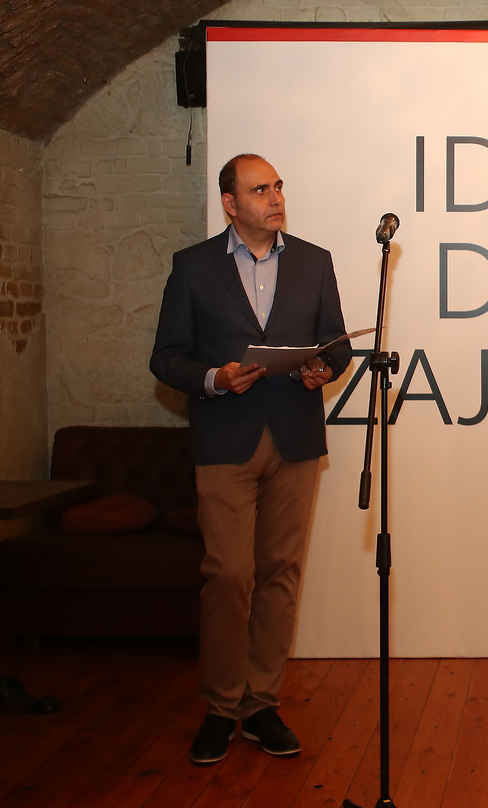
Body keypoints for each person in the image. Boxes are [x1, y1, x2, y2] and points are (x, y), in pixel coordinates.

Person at [150, 153, 352, 765]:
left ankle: (261, 704)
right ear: (230, 204)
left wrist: (323, 369)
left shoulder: (315, 262)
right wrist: (215, 377)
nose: (275, 197)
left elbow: (337, 344)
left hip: (295, 437)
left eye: (278, 186)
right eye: (260, 189)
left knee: (280, 573)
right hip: (225, 439)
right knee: (229, 575)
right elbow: (166, 357)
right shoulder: (192, 267)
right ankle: (220, 707)